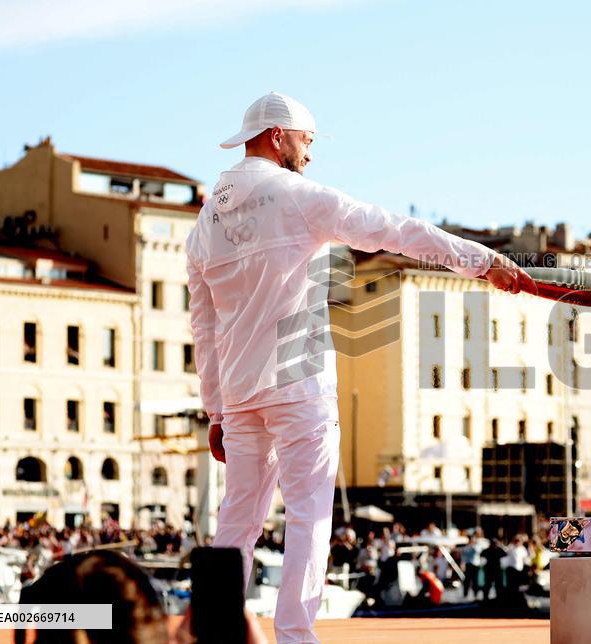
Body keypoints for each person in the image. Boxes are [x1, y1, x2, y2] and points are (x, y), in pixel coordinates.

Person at [186, 92, 536, 643]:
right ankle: (294, 637)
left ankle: (214, 635)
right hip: (298, 383)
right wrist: (481, 261)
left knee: (237, 522)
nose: (310, 153)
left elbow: (202, 325)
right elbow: (393, 229)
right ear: (278, 136)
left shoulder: (206, 220)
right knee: (308, 517)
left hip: (240, 392)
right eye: (306, 140)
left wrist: (215, 411)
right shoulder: (298, 196)